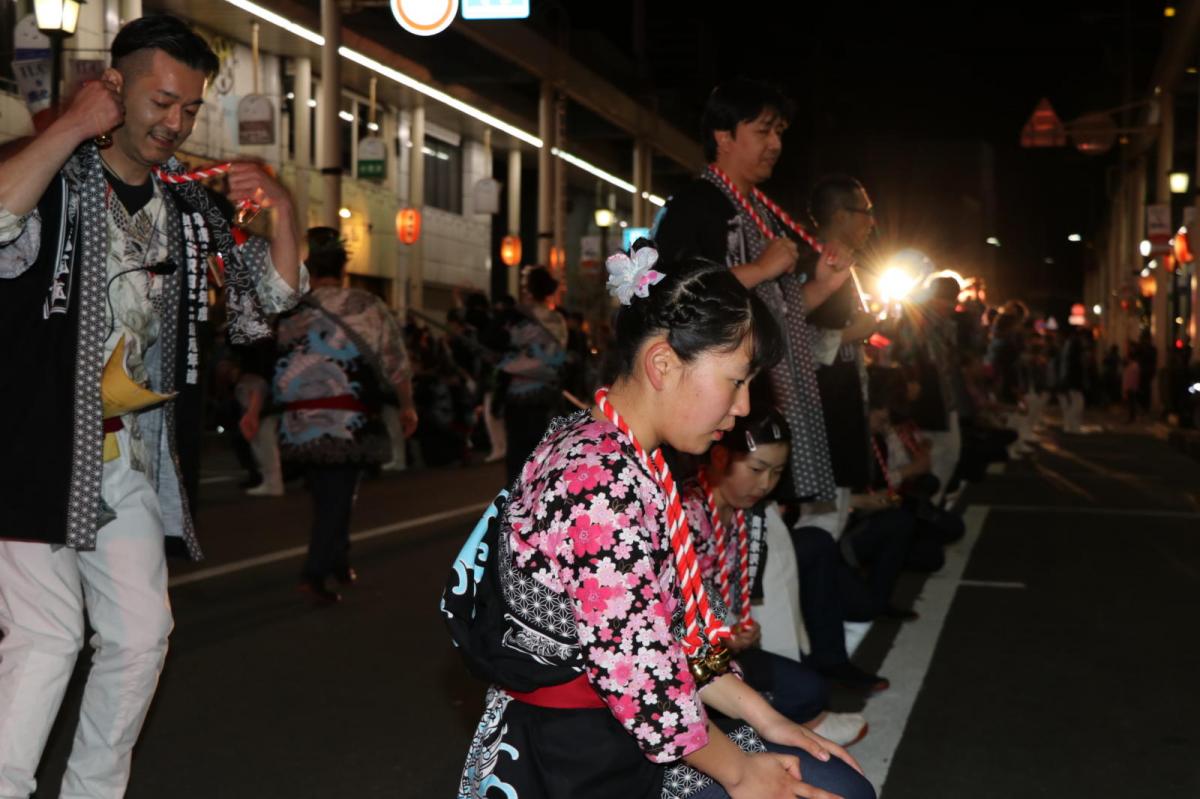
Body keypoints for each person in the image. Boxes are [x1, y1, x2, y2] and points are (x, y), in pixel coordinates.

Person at [0, 15, 304, 797]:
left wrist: (283, 204)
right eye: (161, 100)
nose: (175, 122)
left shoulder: (189, 210)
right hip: (30, 447)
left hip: (128, 456)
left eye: (190, 109)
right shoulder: (55, 178)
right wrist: (68, 124)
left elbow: (261, 303)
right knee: (47, 635)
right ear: (114, 86)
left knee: (141, 635)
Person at [444, 251, 874, 799]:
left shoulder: (611, 447)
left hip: (625, 728)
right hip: (579, 756)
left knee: (831, 778)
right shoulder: (596, 479)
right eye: (736, 381)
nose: (743, 407)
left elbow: (668, 640)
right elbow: (640, 678)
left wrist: (768, 721)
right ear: (663, 364)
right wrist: (743, 771)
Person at [655, 78, 853, 506]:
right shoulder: (693, 206)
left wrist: (823, 285)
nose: (775, 144)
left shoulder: (764, 214)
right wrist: (761, 269)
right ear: (723, 136)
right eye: (763, 131)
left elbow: (781, 311)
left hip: (762, 393)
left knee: (763, 526)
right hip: (713, 405)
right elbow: (671, 294)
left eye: (779, 132)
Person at [683, 409, 869, 747]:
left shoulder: (748, 512)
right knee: (806, 690)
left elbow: (728, 593)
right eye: (756, 469)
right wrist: (723, 635)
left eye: (777, 472)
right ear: (720, 456)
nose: (766, 484)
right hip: (684, 659)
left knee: (808, 682)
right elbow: (679, 612)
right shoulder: (686, 511)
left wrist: (734, 629)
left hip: (718, 648)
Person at [273, 227, 416, 604]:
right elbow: (395, 364)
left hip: (297, 421)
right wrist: (406, 405)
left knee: (327, 494)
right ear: (343, 267)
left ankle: (338, 558)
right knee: (338, 494)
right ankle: (314, 571)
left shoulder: (292, 310)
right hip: (344, 419)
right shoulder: (366, 306)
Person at [498, 265, 568, 485]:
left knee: (517, 455)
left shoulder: (516, 319)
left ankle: (512, 506)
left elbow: (500, 351)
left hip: (518, 395)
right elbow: (560, 357)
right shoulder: (557, 321)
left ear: (528, 290)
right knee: (543, 456)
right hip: (546, 396)